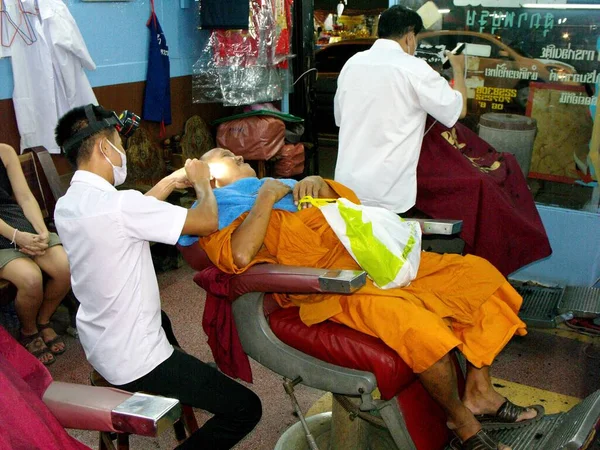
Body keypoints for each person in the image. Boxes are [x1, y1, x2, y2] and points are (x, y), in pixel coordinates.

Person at [186, 148, 544, 450]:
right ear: (214, 178)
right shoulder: (221, 213)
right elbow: (242, 256)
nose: (236, 154)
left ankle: (480, 391)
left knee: (480, 277)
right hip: (334, 287)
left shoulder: (286, 188)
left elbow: (352, 211)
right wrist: (263, 197)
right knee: (422, 330)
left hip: (374, 263)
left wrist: (321, 185)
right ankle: (462, 423)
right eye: (224, 157)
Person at [53, 105, 262, 450]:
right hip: (134, 360)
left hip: (99, 341)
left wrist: (169, 181)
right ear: (105, 148)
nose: (122, 152)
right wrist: (201, 186)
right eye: (118, 142)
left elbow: (131, 214)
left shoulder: (71, 203)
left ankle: (187, 376)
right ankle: (178, 379)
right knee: (245, 409)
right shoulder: (121, 207)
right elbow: (206, 222)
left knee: (162, 319)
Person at [333, 5, 467, 214]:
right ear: (410, 36)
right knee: (388, 245)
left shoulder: (352, 64)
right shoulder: (415, 69)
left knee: (351, 243)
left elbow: (341, 119)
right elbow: (459, 111)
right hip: (388, 192)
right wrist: (458, 68)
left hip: (347, 186)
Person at [0, 143, 70, 366]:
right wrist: (17, 237)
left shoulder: (5, 151)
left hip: (15, 220)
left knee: (65, 267)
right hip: (6, 234)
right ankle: (29, 332)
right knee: (30, 278)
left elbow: (26, 198)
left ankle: (43, 320)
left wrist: (40, 231)